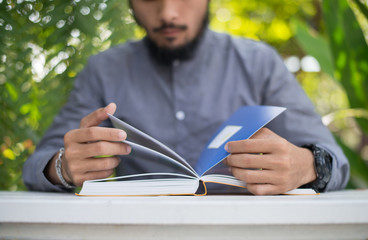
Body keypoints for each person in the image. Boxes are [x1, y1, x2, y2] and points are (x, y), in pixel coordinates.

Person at [23, 0, 350, 195]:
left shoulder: (259, 62)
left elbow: (335, 160)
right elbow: (38, 165)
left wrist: (304, 166)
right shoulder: (103, 70)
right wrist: (65, 167)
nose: (168, 13)